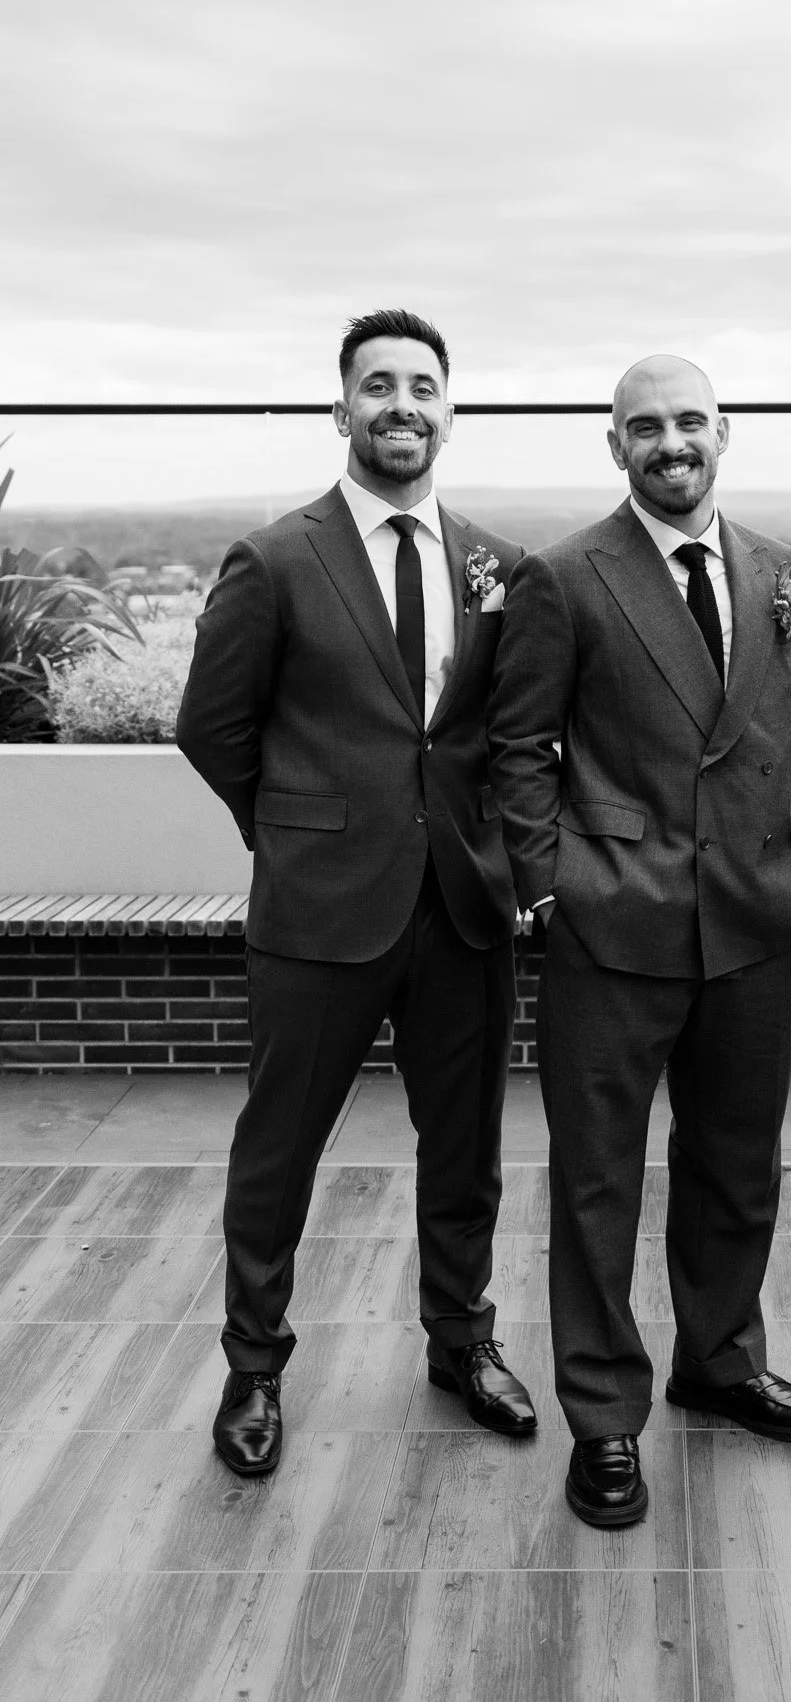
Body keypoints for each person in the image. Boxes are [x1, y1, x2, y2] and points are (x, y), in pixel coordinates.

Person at [177, 309, 536, 1476]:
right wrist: (294, 830)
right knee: (280, 1143)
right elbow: (212, 727)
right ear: (343, 410)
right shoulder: (276, 559)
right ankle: (254, 1363)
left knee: (466, 1144)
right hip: (319, 910)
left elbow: (499, 735)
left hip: (462, 908)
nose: (402, 405)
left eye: (422, 386)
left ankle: (460, 1340)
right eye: (377, 385)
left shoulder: (498, 567)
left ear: (449, 410)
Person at [487, 354, 791, 1528]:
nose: (670, 440)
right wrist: (550, 892)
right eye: (647, 425)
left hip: (754, 919)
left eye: (690, 420)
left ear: (724, 432)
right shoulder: (565, 574)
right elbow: (519, 748)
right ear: (615, 444)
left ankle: (721, 1360)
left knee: (738, 1165)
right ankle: (603, 1415)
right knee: (597, 1183)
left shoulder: (778, 568)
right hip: (612, 925)